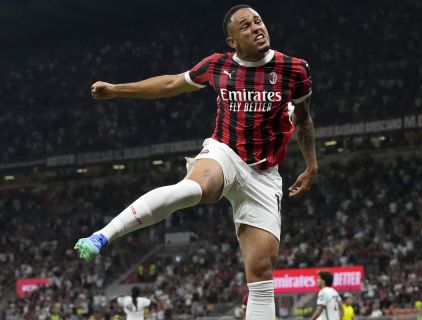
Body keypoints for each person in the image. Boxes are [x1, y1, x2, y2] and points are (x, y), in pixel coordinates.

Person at [74, 4, 317, 320]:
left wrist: (311, 165)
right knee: (195, 188)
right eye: (245, 26)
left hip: (264, 173)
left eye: (258, 21)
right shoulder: (218, 66)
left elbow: (304, 118)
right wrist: (117, 90)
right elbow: (172, 84)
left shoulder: (294, 69)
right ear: (232, 40)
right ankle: (104, 234)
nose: (257, 28)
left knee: (261, 273)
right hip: (224, 152)